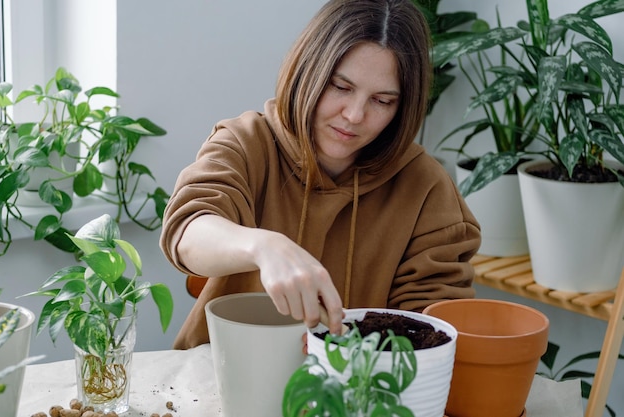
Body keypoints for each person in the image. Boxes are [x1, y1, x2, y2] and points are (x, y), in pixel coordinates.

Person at [160, 0, 481, 350]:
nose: (355, 115)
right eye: (341, 87)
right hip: (220, 378)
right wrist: (264, 246)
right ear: (307, 70)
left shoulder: (426, 186)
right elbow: (188, 230)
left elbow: (431, 331)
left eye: (382, 101)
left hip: (357, 394)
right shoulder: (246, 142)